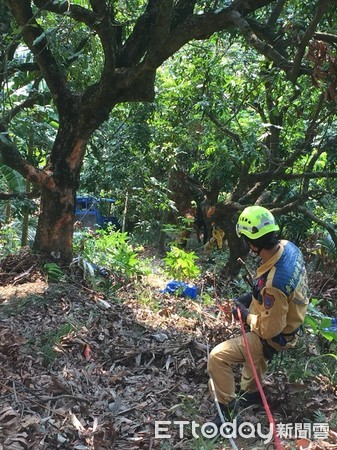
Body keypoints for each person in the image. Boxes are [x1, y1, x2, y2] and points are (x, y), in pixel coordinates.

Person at [207, 205, 310, 426]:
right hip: (290, 318)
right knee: (253, 351)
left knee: (217, 356)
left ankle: (227, 413)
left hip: (275, 336)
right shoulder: (289, 248)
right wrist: (249, 298)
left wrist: (244, 315)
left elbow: (268, 329)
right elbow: (269, 289)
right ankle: (251, 392)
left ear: (252, 244)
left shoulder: (274, 285)